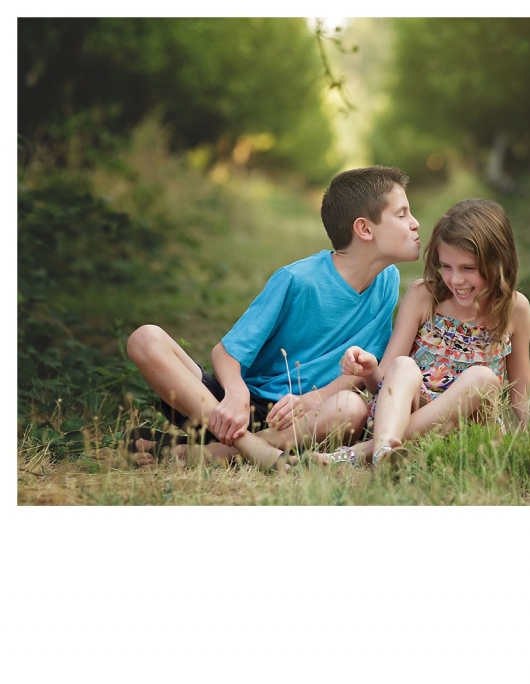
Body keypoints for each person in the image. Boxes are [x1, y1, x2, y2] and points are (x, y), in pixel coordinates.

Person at [123, 165, 421, 471]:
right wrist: (236, 395)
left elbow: (360, 370)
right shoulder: (298, 279)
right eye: (402, 214)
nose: (415, 224)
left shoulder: (388, 282)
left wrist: (314, 399)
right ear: (365, 229)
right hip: (232, 409)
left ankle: (211, 453)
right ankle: (251, 448)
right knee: (146, 338)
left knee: (351, 409)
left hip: (301, 421)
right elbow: (225, 353)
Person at [318, 198, 530, 470]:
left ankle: (362, 453)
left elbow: (522, 394)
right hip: (409, 413)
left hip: (471, 430)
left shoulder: (514, 308)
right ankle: (385, 454)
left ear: (498, 262)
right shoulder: (424, 296)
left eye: (468, 269)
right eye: (446, 267)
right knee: (403, 366)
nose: (456, 280)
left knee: (482, 378)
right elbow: (386, 381)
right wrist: (369, 370)